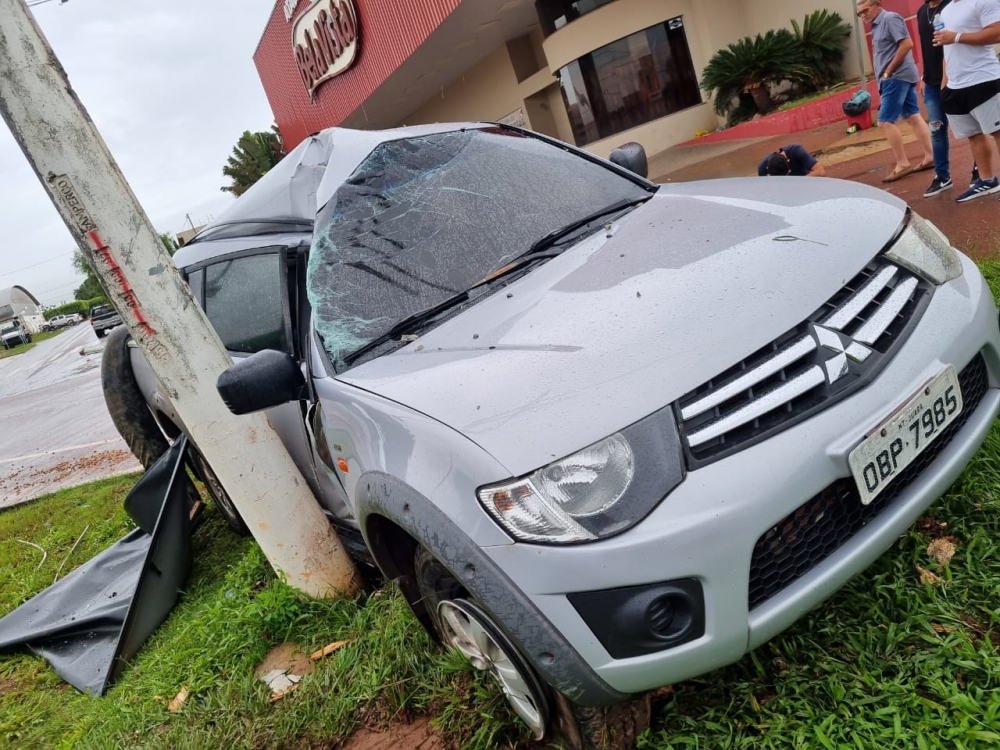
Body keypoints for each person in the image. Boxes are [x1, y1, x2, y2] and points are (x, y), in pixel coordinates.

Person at [857, 0, 935, 182]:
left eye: (865, 10)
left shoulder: (890, 18)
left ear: (878, 4)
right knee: (912, 116)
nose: (863, 15)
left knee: (885, 121)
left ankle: (902, 163)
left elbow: (907, 44)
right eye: (859, 13)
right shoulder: (876, 25)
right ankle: (931, 155)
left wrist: (888, 72)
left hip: (896, 77)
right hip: (897, 77)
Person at [934, 0, 1000, 202]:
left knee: (998, 132)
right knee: (973, 135)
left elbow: (996, 32)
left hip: (984, 80)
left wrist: (957, 37)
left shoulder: (984, 1)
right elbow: (947, 48)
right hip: (955, 86)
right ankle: (987, 180)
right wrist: (945, 83)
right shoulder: (945, 10)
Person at [757, 144, 827, 176]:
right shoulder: (762, 169)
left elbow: (821, 171)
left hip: (805, 184)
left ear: (788, 161)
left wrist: (799, 183)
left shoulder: (796, 150)